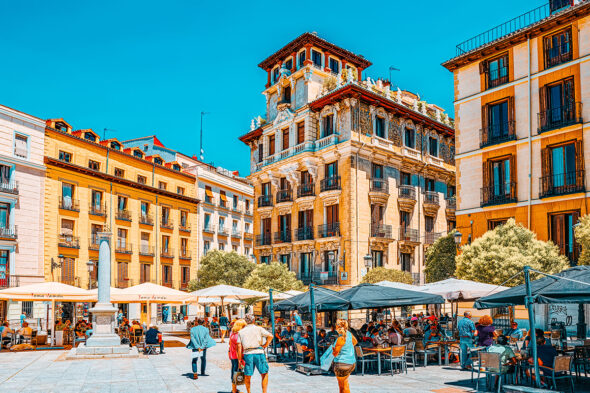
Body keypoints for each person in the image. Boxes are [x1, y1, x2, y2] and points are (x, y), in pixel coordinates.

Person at [237, 314, 273, 393]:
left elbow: (239, 346)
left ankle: (249, 392)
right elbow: (270, 336)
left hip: (248, 353)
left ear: (246, 322)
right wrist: (265, 345)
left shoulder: (241, 332)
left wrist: (239, 360)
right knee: (264, 373)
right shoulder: (259, 329)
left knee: (247, 375)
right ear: (253, 320)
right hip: (259, 352)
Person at [332, 319, 357, 393]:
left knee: (343, 386)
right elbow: (355, 342)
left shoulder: (340, 338)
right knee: (344, 383)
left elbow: (335, 353)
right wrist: (347, 348)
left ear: (337, 326)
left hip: (342, 364)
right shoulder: (349, 334)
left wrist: (334, 350)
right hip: (351, 362)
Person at [229, 319, 246, 393]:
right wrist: (240, 360)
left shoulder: (232, 333)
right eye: (244, 326)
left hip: (232, 355)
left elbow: (230, 345)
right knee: (236, 372)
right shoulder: (238, 335)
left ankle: (234, 389)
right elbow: (239, 348)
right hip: (236, 356)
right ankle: (234, 390)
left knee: (234, 371)